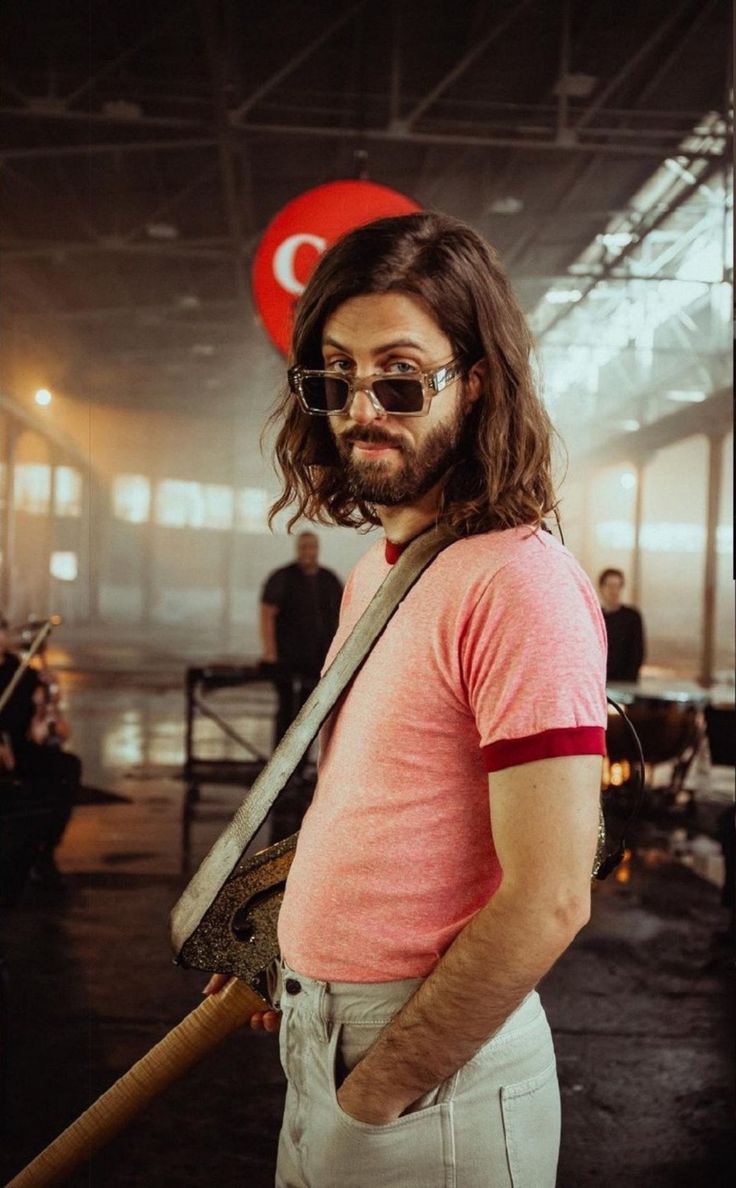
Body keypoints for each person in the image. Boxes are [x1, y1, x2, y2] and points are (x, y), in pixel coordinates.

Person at [205, 211, 608, 1187]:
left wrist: (379, 1093)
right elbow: (380, 810)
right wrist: (287, 947)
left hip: (427, 1080)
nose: (360, 407)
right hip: (324, 1043)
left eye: (398, 376)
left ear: (475, 384)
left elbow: (551, 898)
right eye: (333, 377)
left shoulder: (517, 583)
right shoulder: (378, 571)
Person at [0, 615, 79, 885]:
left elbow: (48, 714)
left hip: (19, 747)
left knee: (67, 766)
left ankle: (46, 849)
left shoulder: (19, 671)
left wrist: (50, 689)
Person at [260, 531, 343, 748]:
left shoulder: (329, 580)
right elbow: (267, 613)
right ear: (297, 549)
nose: (308, 552)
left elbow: (343, 616)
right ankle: (280, 767)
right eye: (303, 547)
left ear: (317, 549)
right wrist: (270, 651)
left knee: (311, 712)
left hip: (318, 658)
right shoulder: (283, 577)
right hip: (287, 658)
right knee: (287, 710)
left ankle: (301, 765)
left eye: (311, 547)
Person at [598, 567, 646, 681]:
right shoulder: (596, 617)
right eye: (610, 586)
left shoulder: (632, 617)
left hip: (626, 683)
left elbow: (637, 653)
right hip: (600, 681)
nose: (614, 591)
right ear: (601, 588)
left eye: (618, 586)